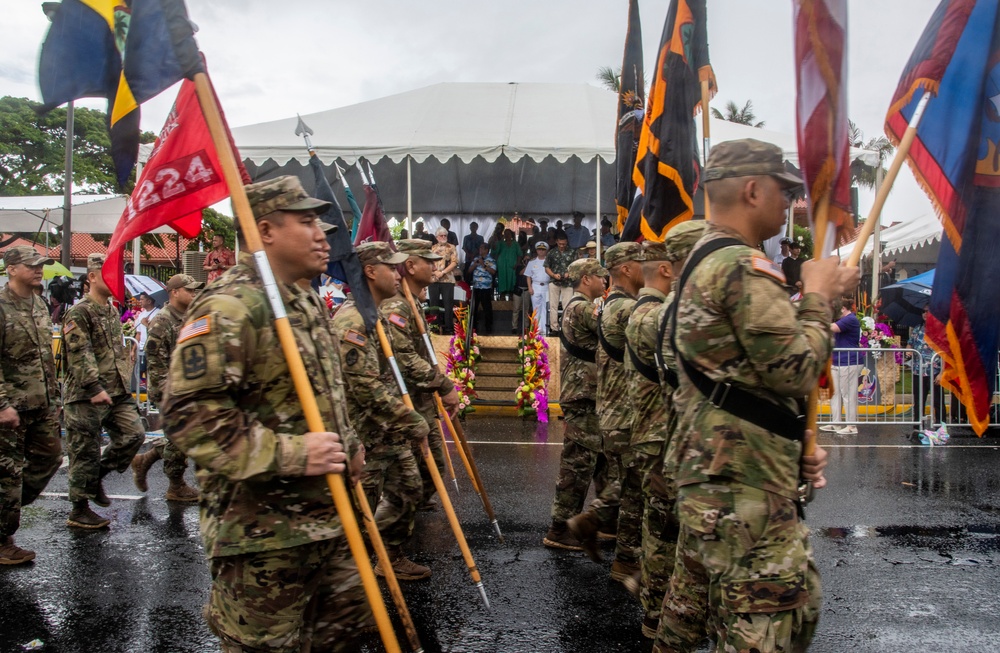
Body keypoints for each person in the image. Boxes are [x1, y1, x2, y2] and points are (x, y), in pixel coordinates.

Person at [654, 139, 857, 653]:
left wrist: (793, 443)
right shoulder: (743, 267)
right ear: (751, 190)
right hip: (744, 494)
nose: (791, 204)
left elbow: (745, 380)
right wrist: (817, 294)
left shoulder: (703, 260)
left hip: (724, 479)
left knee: (741, 617)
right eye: (785, 191)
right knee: (766, 627)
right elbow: (795, 370)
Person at [161, 175, 371, 651]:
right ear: (265, 231)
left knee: (342, 634)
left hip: (328, 517)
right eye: (306, 221)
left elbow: (324, 393)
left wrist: (350, 446)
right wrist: (294, 454)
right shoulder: (233, 304)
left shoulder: (302, 297)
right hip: (264, 534)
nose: (323, 233)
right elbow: (189, 413)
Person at [332, 241, 432, 580]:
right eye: (391, 267)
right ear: (370, 272)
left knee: (409, 487)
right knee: (359, 510)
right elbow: (366, 390)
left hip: (387, 429)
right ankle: (352, 587)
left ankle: (388, 554)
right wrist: (412, 420)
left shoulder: (376, 315)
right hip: (364, 431)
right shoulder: (353, 321)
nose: (398, 273)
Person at [566, 242, 646, 583]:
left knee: (626, 479)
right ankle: (626, 558)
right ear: (626, 269)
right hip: (623, 410)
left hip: (612, 407)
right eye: (643, 262)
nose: (652, 267)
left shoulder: (612, 305)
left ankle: (594, 521)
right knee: (633, 484)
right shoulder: (624, 309)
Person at [62, 253, 146, 530]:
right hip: (87, 394)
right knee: (84, 451)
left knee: (134, 435)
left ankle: (98, 475)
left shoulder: (111, 309)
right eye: (109, 273)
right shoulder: (79, 312)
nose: (116, 280)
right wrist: (93, 386)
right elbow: (79, 353)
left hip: (116, 390)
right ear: (92, 277)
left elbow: (112, 349)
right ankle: (79, 509)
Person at [621, 239, 676, 637]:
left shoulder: (645, 310)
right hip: (658, 436)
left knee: (659, 524)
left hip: (652, 432)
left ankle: (652, 593)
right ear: (669, 270)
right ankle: (656, 611)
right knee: (662, 528)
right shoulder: (655, 315)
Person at [383, 240, 461, 513]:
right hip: (404, 401)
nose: (434, 264)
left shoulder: (412, 303)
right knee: (408, 478)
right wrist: (443, 384)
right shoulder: (397, 306)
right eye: (427, 260)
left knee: (432, 468)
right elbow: (404, 359)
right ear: (410, 265)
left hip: (421, 400)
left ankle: (406, 517)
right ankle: (389, 538)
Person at [0, 246, 62, 564]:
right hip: (11, 406)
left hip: (42, 402)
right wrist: (1, 405)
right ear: (11, 269)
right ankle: (2, 540)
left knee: (51, 457)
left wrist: (55, 397)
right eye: (32, 265)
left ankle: (4, 511)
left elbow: (45, 357)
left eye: (41, 265)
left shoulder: (38, 303)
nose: (39, 270)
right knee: (8, 474)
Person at [542, 258, 609, 551]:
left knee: (600, 460)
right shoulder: (583, 307)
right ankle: (559, 528)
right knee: (577, 465)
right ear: (585, 279)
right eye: (600, 277)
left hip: (587, 392)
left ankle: (604, 520)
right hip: (584, 393)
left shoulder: (576, 305)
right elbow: (614, 329)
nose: (605, 282)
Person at [131, 273, 204, 503]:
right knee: (179, 438)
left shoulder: (189, 316)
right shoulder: (162, 321)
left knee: (183, 435)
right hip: (169, 389)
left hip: (187, 386)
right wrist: (168, 393)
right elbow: (156, 363)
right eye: (189, 290)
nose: (193, 294)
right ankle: (176, 485)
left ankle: (145, 461)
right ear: (174, 292)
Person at [824, 299, 863, 435]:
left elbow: (832, 328)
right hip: (838, 360)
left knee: (848, 394)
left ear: (842, 309)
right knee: (835, 393)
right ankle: (836, 423)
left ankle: (852, 426)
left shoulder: (850, 319)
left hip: (849, 361)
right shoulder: (843, 320)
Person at [908, 306, 945, 429]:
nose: (925, 314)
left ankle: (940, 427)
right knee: (919, 401)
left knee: (938, 401)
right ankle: (918, 427)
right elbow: (910, 343)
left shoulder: (939, 329)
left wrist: (941, 373)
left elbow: (944, 352)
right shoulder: (918, 329)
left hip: (934, 370)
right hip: (918, 371)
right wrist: (908, 350)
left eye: (928, 311)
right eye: (923, 311)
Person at [544, 231, 576, 336]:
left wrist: (569, 273)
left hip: (568, 282)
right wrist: (553, 275)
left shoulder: (572, 252)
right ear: (556, 241)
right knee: (553, 306)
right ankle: (554, 329)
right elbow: (546, 267)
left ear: (567, 242)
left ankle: (566, 328)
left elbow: (576, 266)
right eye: (560, 244)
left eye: (564, 244)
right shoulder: (551, 252)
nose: (562, 246)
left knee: (568, 306)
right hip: (554, 282)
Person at [429, 228, 459, 334]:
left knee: (448, 304)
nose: (443, 237)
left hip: (447, 279)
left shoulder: (451, 247)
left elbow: (454, 262)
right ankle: (434, 328)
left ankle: (448, 329)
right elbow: (429, 262)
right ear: (436, 237)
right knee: (433, 305)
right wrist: (436, 272)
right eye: (441, 236)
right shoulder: (432, 248)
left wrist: (442, 272)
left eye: (445, 235)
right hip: (434, 279)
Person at [523, 242, 551, 335]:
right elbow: (528, 276)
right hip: (535, 285)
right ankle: (536, 329)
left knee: (545, 308)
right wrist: (529, 287)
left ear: (546, 250)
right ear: (536, 250)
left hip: (546, 286)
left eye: (543, 249)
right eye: (539, 249)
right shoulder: (532, 262)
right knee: (536, 308)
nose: (541, 251)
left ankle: (544, 329)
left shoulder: (549, 261)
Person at [469, 242, 496, 334]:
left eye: (482, 248)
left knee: (487, 307)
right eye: (479, 248)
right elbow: (469, 270)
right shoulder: (476, 259)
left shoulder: (491, 260)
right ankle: (474, 327)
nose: (480, 250)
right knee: (474, 307)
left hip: (486, 287)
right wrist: (475, 265)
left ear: (486, 250)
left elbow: (493, 271)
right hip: (476, 287)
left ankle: (488, 327)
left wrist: (484, 265)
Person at [492, 229, 521, 298]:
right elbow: (495, 252)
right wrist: (494, 243)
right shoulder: (501, 243)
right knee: (502, 279)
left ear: (511, 235)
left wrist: (517, 263)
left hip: (512, 265)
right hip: (502, 265)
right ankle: (502, 297)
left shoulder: (515, 244)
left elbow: (519, 254)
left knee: (512, 280)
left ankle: (511, 297)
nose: (507, 235)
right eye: (505, 234)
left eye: (508, 233)